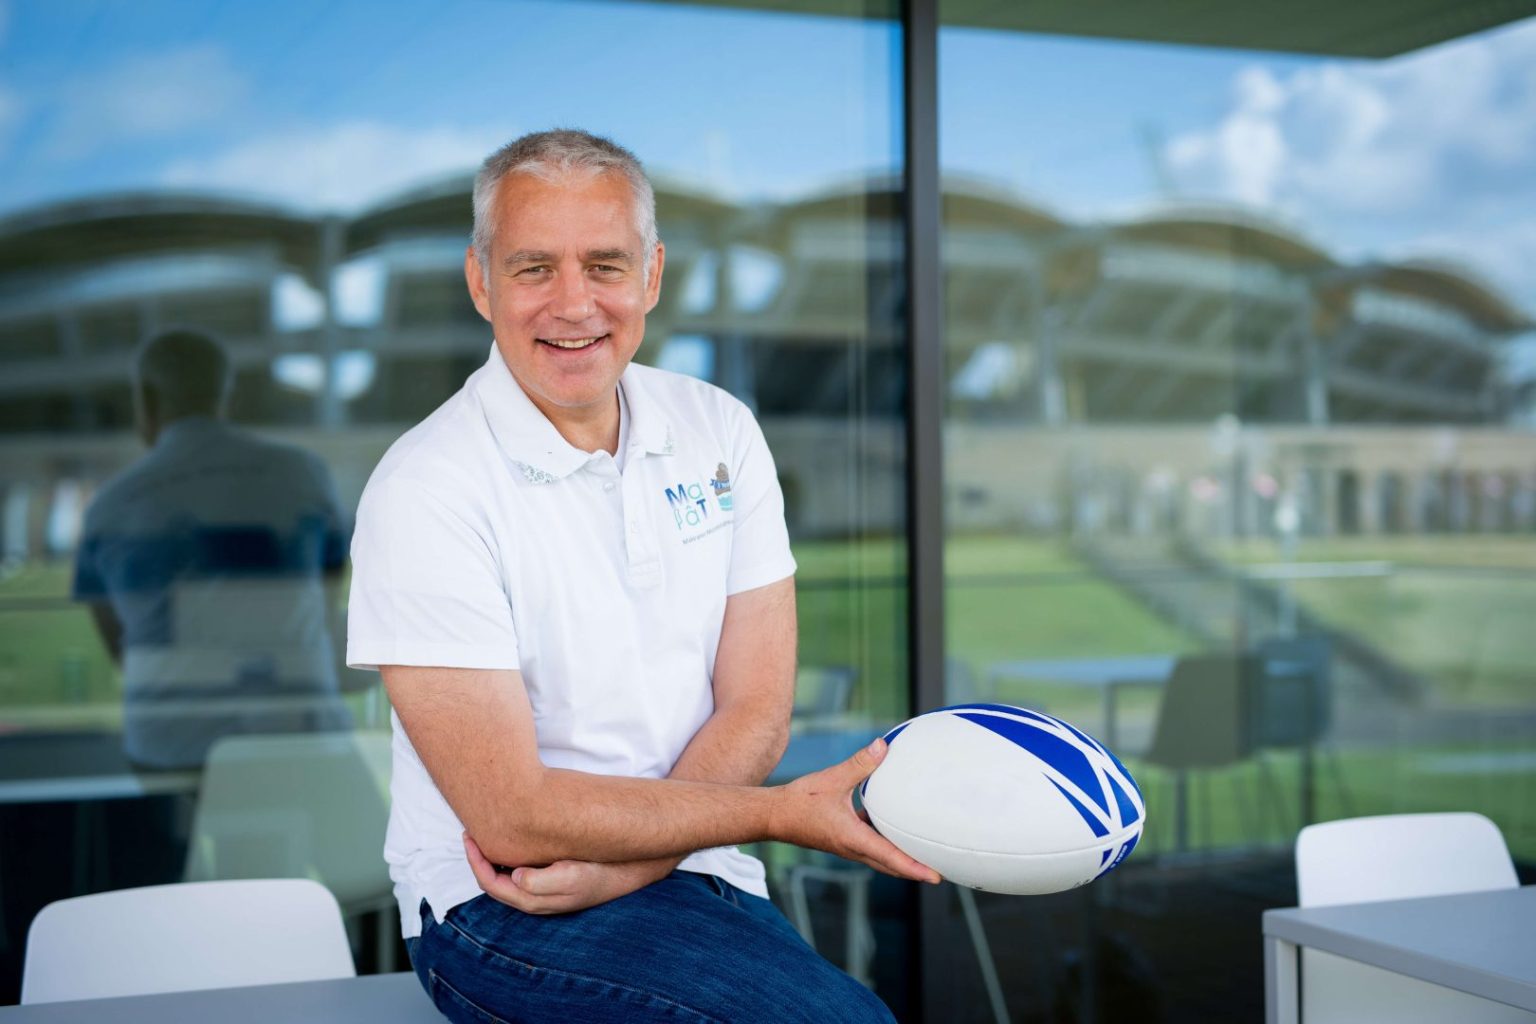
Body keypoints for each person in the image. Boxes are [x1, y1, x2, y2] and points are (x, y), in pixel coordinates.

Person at [346, 130, 937, 1024]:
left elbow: (755, 710)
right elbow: (511, 815)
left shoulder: (719, 429)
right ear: (480, 281)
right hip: (504, 906)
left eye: (605, 265)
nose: (573, 303)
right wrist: (773, 815)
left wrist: (636, 862)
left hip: (696, 873)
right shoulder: (425, 488)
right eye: (534, 267)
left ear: (652, 275)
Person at [74, 328, 353, 771]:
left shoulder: (108, 507)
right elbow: (323, 604)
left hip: (169, 748)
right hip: (300, 739)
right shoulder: (305, 474)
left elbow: (124, 652)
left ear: (146, 399)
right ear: (227, 397)